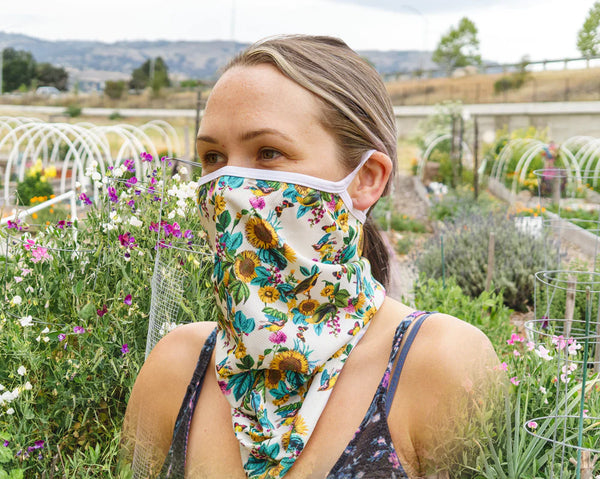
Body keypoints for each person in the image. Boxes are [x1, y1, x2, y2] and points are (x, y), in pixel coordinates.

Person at [122, 35, 500, 479]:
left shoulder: (441, 365)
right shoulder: (175, 368)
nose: (226, 186)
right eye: (213, 157)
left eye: (268, 152)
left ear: (366, 180)